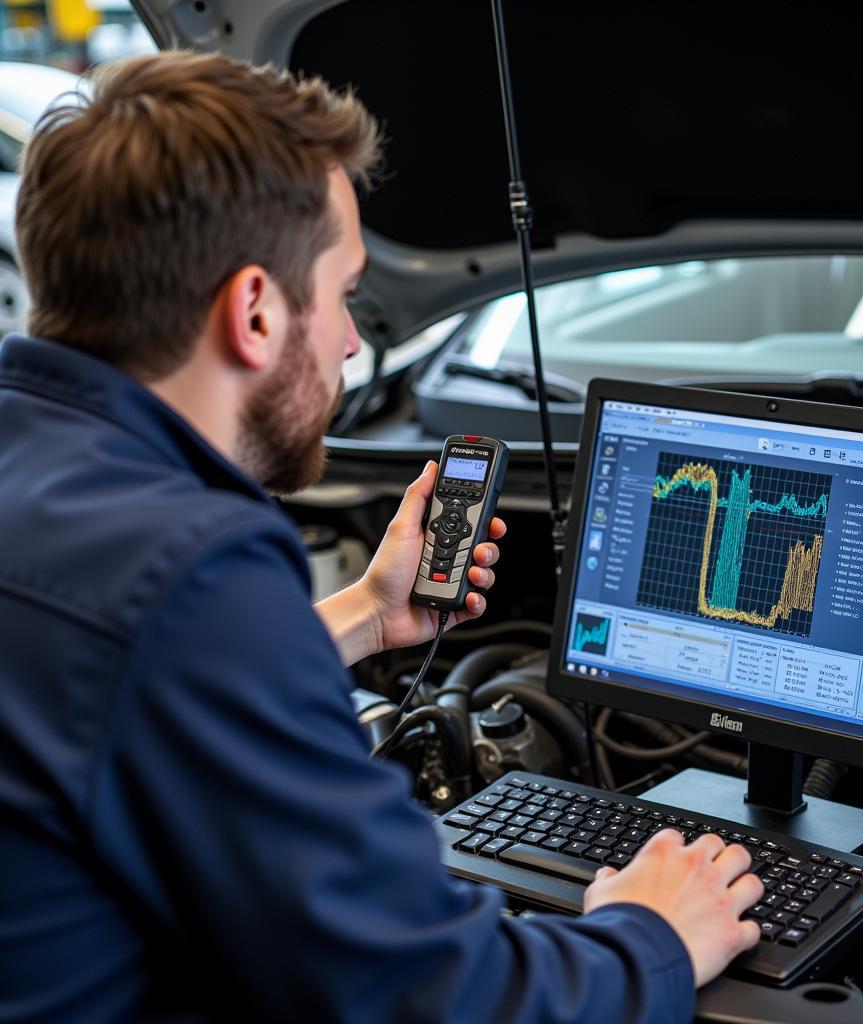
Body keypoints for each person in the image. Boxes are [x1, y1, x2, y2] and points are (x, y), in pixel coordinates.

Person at [0, 51, 762, 1022]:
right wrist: (652, 934)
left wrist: (362, 613)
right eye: (347, 291)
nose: (354, 341)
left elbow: (107, 680)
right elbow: (432, 997)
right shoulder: (189, 568)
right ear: (255, 311)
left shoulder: (52, 491)